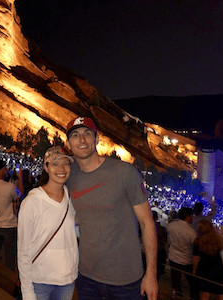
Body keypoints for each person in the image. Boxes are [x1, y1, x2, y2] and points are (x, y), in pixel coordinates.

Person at [64, 116, 158, 300]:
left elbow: (147, 223)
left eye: (87, 134)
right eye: (75, 135)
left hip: (126, 281)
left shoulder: (125, 172)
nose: (82, 140)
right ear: (68, 143)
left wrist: (151, 274)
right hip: (86, 278)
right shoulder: (70, 174)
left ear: (97, 139)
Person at [18, 145, 78, 300]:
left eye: (66, 163)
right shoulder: (33, 201)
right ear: (46, 167)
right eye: (55, 163)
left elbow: (73, 233)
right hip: (40, 281)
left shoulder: (72, 197)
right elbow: (23, 251)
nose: (61, 168)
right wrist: (27, 293)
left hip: (67, 280)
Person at [167, 207, 198, 299]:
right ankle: (193, 297)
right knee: (192, 281)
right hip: (185, 259)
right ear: (187, 217)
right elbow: (194, 247)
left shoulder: (171, 225)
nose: (193, 218)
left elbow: (169, 241)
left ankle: (177, 295)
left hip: (173, 256)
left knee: (175, 280)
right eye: (192, 216)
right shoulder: (191, 232)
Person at [193, 220, 223, 300]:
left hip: (204, 269)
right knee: (220, 292)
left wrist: (194, 271)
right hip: (219, 269)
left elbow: (196, 258)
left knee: (205, 292)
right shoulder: (220, 240)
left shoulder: (198, 241)